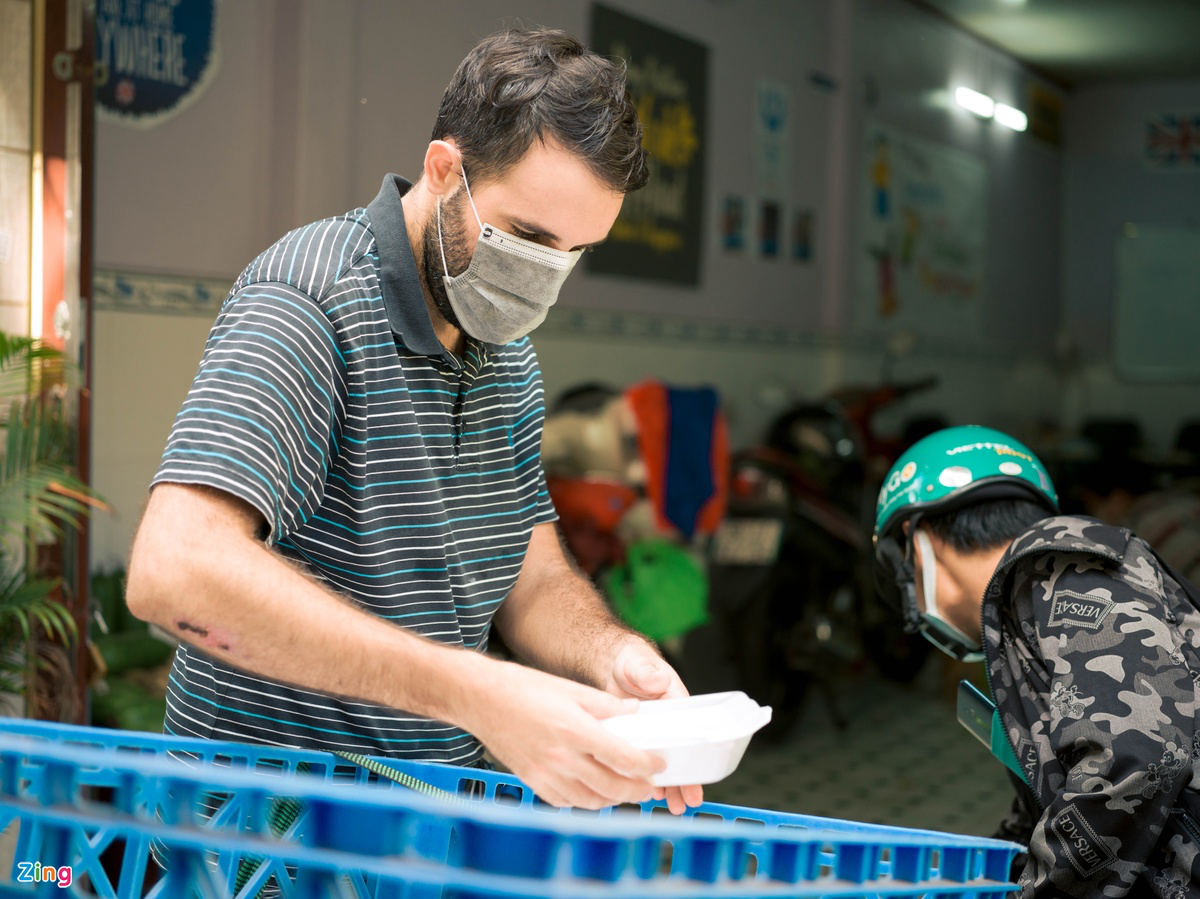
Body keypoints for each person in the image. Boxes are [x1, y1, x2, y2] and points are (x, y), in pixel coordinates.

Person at [124, 26, 703, 815]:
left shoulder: (507, 352)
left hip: (414, 832)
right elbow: (175, 569)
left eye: (572, 253)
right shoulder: (313, 299)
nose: (540, 280)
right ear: (444, 169)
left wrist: (613, 655)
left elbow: (527, 578)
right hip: (263, 842)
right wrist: (477, 692)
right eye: (527, 238)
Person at [873, 425, 1200, 897]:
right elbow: (1055, 802)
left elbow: (1134, 757)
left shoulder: (1062, 563)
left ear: (913, 543)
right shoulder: (1024, 604)